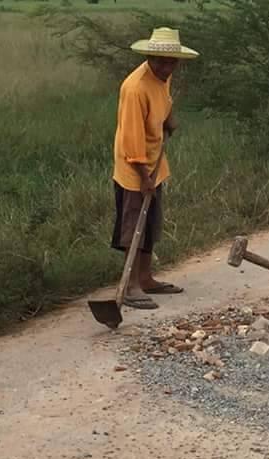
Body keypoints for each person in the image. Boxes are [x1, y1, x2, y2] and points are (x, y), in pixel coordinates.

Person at [111, 28, 198, 309]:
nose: (166, 66)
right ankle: (130, 286)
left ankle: (146, 278)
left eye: (171, 61)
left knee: (150, 223)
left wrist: (169, 120)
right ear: (149, 56)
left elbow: (164, 101)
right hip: (135, 169)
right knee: (133, 227)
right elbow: (131, 141)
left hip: (154, 163)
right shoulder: (134, 88)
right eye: (160, 61)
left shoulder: (163, 75)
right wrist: (144, 177)